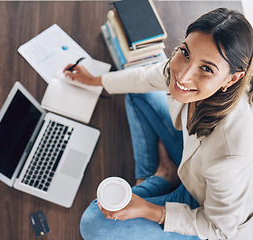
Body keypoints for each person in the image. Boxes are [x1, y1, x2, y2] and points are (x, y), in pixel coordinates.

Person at [64, 8, 253, 240]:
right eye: (185, 52)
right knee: (137, 93)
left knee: (93, 224)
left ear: (232, 79)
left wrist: (150, 210)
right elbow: (143, 77)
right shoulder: (182, 70)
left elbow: (219, 230)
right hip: (191, 162)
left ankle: (156, 180)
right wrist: (93, 80)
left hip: (200, 207)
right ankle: (163, 174)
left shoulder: (230, 157)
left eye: (206, 68)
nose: (183, 77)